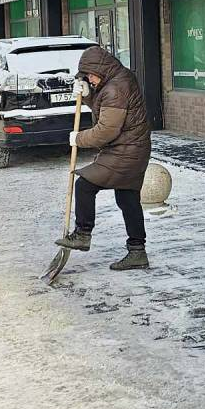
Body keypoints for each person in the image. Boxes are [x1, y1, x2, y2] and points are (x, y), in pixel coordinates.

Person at [56, 47, 152, 271]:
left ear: (99, 69)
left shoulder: (116, 87)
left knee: (84, 185)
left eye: (89, 75)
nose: (89, 79)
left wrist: (78, 139)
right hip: (132, 148)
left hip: (126, 150)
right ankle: (137, 252)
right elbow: (106, 107)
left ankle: (82, 234)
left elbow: (106, 130)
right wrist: (88, 95)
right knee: (127, 199)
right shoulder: (117, 79)